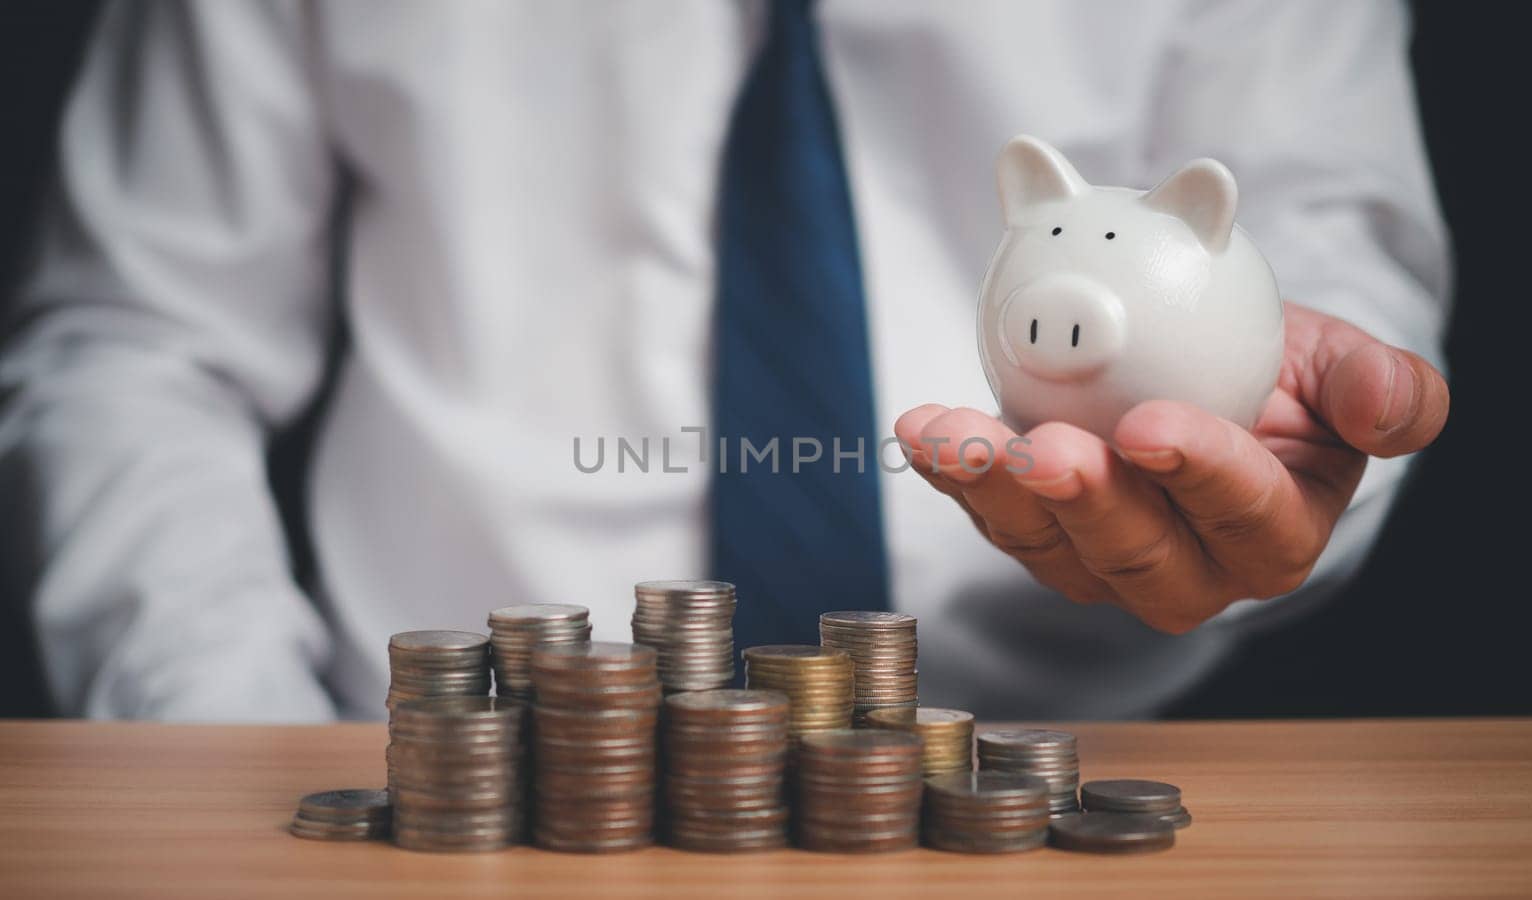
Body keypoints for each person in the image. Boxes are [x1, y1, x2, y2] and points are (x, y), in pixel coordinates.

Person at [0, 1, 1450, 722]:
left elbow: (1313, 239)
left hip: (1047, 763)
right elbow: (138, 339)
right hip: (467, 757)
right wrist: (236, 739)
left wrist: (1288, 448)